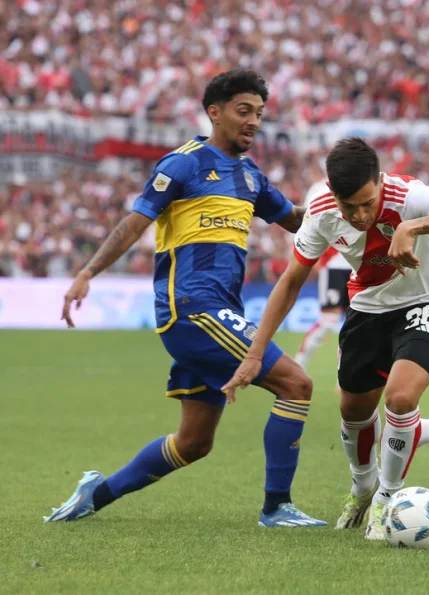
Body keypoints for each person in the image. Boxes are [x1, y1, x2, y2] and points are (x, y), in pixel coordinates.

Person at [46, 70, 327, 528]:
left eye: (258, 113)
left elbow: (295, 221)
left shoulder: (252, 177)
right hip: (194, 309)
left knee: (194, 443)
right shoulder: (183, 163)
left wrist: (338, 207)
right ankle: (277, 507)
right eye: (243, 111)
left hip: (219, 313)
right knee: (296, 384)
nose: (253, 121)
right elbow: (135, 223)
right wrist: (88, 271)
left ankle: (95, 493)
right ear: (214, 112)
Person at [221, 137, 429, 541]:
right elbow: (291, 281)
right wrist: (254, 353)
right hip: (368, 306)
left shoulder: (410, 195)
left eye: (368, 202)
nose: (361, 214)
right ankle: (363, 486)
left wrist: (415, 225)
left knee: (401, 397)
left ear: (380, 181)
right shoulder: (321, 213)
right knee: (352, 407)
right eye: (350, 206)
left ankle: (388, 495)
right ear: (333, 194)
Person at [294, 175, 353, 376]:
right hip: (333, 264)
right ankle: (299, 364)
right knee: (328, 320)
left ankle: (347, 375)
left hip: (358, 265)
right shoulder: (319, 188)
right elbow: (308, 223)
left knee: (356, 324)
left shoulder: (361, 183)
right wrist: (316, 258)